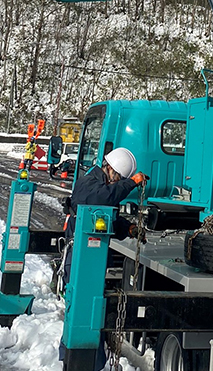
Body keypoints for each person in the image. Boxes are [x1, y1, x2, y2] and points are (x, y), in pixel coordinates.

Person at [59, 147, 149, 367]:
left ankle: (93, 362)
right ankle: (77, 360)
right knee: (82, 311)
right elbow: (101, 198)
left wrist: (128, 228)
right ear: (110, 169)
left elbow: (105, 216)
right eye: (118, 178)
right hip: (79, 258)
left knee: (92, 313)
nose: (116, 182)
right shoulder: (89, 183)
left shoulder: (99, 186)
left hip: (90, 261)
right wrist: (131, 183)